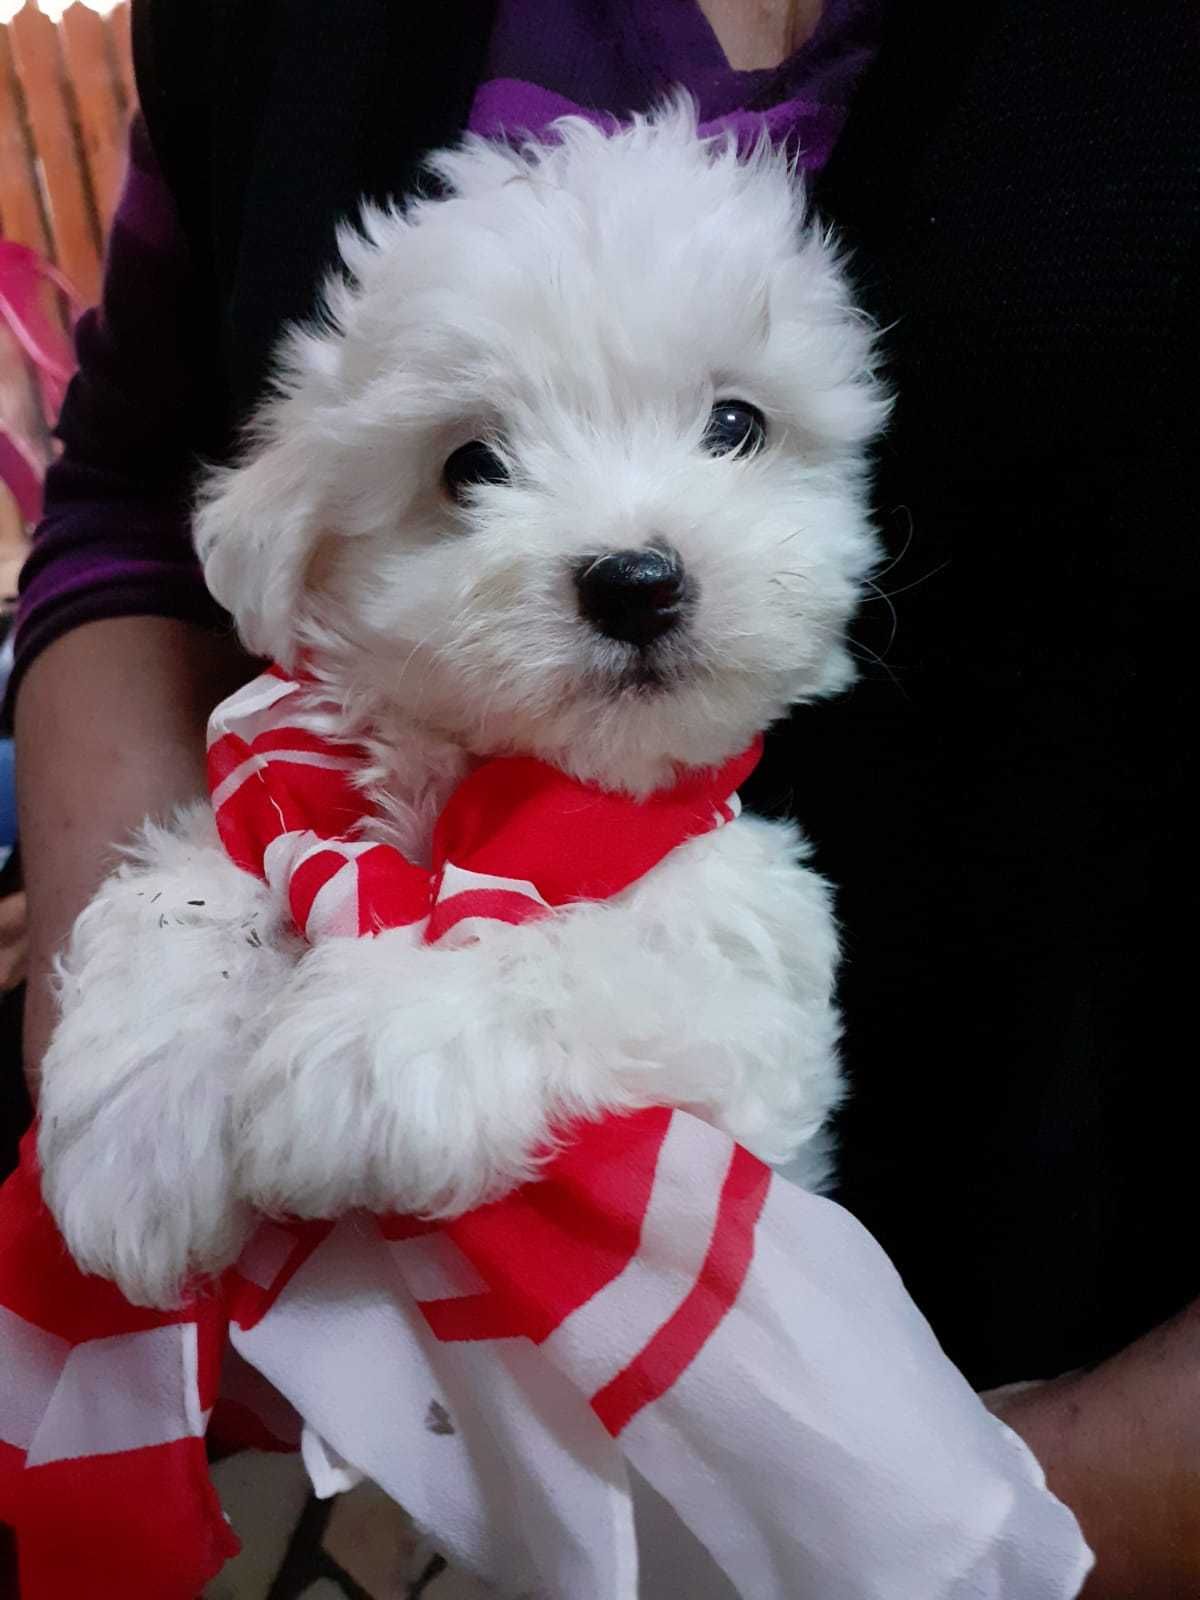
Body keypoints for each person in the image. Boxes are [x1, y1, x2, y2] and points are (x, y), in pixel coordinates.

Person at [8, 2, 1198, 1594]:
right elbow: (136, 505)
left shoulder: (718, 896)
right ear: (312, 536)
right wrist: (146, 981)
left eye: (728, 428)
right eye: (476, 467)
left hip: (1016, 1391)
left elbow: (729, 1057)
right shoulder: (291, 786)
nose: (631, 547)